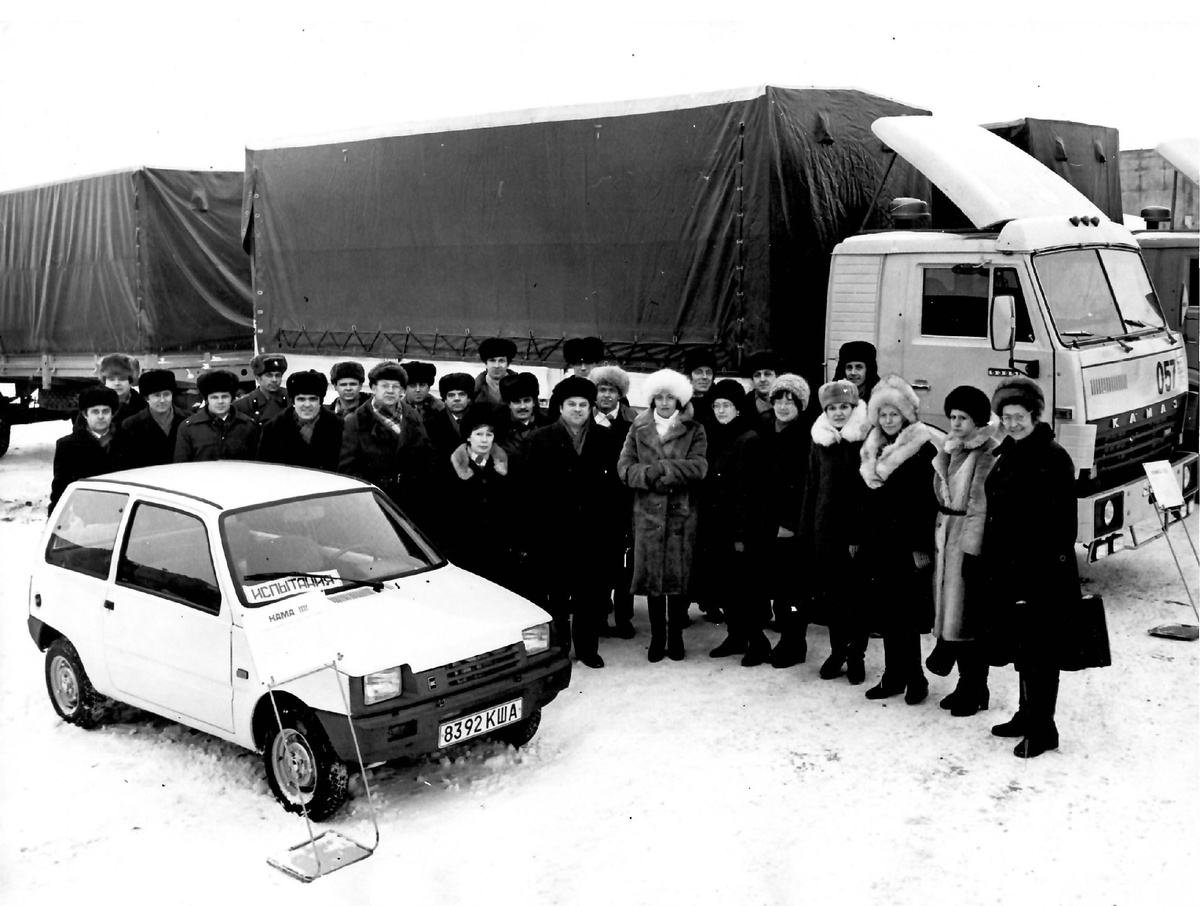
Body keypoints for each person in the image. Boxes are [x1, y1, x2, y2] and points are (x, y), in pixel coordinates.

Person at [980, 376, 1080, 758]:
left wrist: (1031, 573)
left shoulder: (1052, 457)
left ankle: (1043, 729)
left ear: (1035, 415)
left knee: (1040, 652)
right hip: (1010, 568)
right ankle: (1026, 716)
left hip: (1041, 574)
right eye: (1006, 416)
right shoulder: (1011, 451)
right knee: (1024, 647)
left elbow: (1060, 527)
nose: (1012, 423)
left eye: (1019, 416)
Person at [856, 374, 943, 704]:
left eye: (894, 414)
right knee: (886, 611)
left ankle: (915, 677)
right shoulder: (872, 447)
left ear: (906, 415)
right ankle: (893, 675)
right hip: (879, 543)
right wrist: (860, 536)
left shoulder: (922, 449)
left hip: (907, 546)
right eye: (883, 414)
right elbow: (864, 501)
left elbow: (928, 502)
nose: (888, 420)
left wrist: (921, 546)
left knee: (905, 613)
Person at [526, 375, 621, 669]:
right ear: (560, 407)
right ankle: (559, 649)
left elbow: (615, 490)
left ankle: (587, 648)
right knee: (555, 595)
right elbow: (529, 489)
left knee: (590, 594)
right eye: (571, 404)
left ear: (591, 407)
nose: (578, 409)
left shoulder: (606, 439)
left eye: (583, 404)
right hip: (554, 531)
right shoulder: (540, 438)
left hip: (594, 532)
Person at [617, 368, 708, 662]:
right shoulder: (637, 428)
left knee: (678, 577)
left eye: (671, 397)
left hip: (681, 513)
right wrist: (646, 474)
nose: (665, 402)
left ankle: (676, 637)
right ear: (652, 399)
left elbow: (699, 467)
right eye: (660, 397)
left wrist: (666, 470)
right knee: (653, 579)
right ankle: (657, 638)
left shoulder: (694, 429)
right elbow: (624, 467)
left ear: (680, 400)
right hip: (647, 515)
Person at [928, 385, 1001, 717]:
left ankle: (975, 687)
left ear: (979, 420)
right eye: (952, 416)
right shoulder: (952, 448)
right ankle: (965, 684)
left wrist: (972, 551)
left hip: (966, 543)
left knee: (967, 620)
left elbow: (980, 506)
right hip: (947, 538)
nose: (955, 423)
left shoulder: (986, 452)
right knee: (953, 618)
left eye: (963, 417)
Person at [800, 379, 871, 684]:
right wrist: (807, 530)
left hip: (854, 536)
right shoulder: (820, 440)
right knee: (833, 596)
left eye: (844, 407)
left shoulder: (865, 440)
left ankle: (857, 655)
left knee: (857, 598)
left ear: (854, 408)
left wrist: (857, 534)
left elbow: (866, 492)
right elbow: (811, 486)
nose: (839, 413)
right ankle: (838, 651)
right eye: (832, 408)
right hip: (825, 530)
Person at [702, 379, 773, 666]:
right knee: (728, 585)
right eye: (716, 405)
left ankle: (757, 640)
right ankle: (735, 635)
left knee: (747, 587)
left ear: (738, 409)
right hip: (719, 524)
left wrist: (742, 532)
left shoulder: (748, 438)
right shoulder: (716, 435)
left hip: (741, 527)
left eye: (726, 406)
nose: (721, 411)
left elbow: (750, 490)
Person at [338, 362, 433, 520]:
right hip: (375, 503)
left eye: (396, 386)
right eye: (384, 385)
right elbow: (348, 469)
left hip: (412, 501)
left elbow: (427, 455)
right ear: (373, 388)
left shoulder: (412, 415)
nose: (390, 391)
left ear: (402, 390)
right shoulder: (355, 421)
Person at [762, 373, 812, 668]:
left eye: (790, 400)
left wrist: (790, 523)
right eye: (778, 399)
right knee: (778, 588)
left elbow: (804, 485)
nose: (783, 405)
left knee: (792, 589)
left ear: (800, 405)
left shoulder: (806, 436)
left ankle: (795, 643)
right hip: (767, 521)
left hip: (791, 525)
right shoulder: (766, 429)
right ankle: (786, 640)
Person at [444, 404, 519, 591]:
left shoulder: (506, 466)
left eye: (489, 434)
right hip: (465, 547)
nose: (484, 440)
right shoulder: (450, 468)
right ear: (468, 436)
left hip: (499, 547)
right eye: (478, 434)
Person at [590, 365, 638, 638]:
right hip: (595, 503)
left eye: (612, 390)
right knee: (599, 562)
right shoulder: (586, 421)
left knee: (625, 566)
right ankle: (598, 615)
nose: (606, 395)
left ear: (620, 394)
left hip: (624, 502)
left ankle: (624, 616)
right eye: (602, 389)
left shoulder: (632, 422)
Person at [50, 386, 126, 511]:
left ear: (113, 413)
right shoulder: (67, 446)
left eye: (105, 411)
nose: (101, 416)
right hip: (85, 515)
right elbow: (60, 490)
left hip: (120, 512)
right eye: (95, 412)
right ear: (85, 414)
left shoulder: (127, 440)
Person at [257, 370, 343, 471]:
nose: (307, 405)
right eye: (301, 399)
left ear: (321, 401)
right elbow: (265, 469)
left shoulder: (338, 427)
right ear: (293, 401)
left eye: (313, 399)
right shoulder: (273, 429)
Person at [174, 370, 260, 462]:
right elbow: (181, 465)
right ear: (206, 399)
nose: (220, 401)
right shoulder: (188, 428)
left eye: (224, 396)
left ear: (232, 398)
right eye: (214, 397)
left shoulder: (249, 426)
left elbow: (255, 463)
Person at [118, 369, 188, 468]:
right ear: (147, 398)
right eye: (156, 395)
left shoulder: (188, 421)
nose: (162, 400)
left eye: (166, 394)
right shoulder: (131, 425)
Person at [495, 372, 552, 459]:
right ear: (509, 404)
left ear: (534, 402)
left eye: (526, 401)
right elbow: (478, 457)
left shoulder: (549, 427)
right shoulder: (497, 428)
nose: (522, 406)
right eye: (516, 401)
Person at [426, 372, 478, 460]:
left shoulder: (480, 420)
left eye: (461, 394)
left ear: (469, 398)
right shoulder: (432, 424)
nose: (457, 399)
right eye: (451, 395)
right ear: (444, 399)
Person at [234, 354, 288, 425]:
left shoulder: (290, 400)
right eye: (269, 375)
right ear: (258, 378)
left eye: (278, 375)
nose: (274, 380)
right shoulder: (242, 405)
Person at [98, 353, 146, 425]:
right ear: (104, 381)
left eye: (122, 379)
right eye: (111, 379)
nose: (117, 383)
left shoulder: (144, 408)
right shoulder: (92, 404)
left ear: (131, 380)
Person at [474, 337, 518, 407]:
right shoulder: (473, 390)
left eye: (501, 361)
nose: (497, 366)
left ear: (508, 363)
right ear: (485, 363)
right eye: (492, 360)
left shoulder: (521, 386)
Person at [683, 348, 719, 432]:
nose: (704, 377)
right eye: (698, 372)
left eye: (709, 372)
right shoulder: (680, 401)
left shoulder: (719, 399)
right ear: (689, 375)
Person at [742, 350, 780, 424]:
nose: (762, 379)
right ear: (752, 379)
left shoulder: (787, 401)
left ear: (777, 376)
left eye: (767, 374)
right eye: (757, 375)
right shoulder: (745, 403)